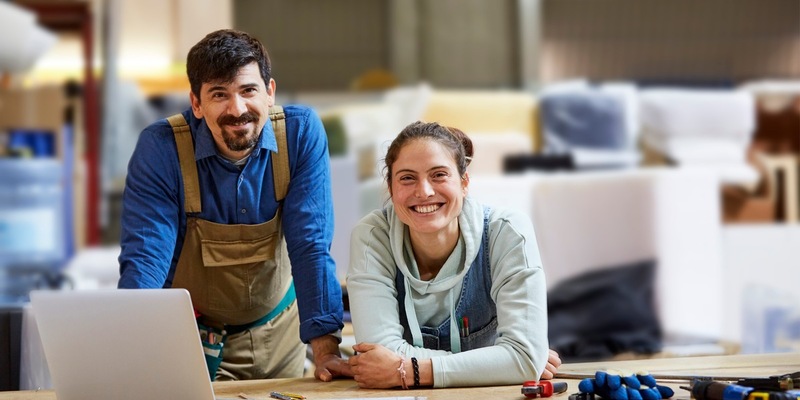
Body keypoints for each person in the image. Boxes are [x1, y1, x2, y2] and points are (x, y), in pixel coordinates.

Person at [117, 29, 350, 382]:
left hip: (280, 338)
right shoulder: (162, 148)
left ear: (269, 92)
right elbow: (147, 260)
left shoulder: (299, 134)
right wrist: (133, 356)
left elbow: (311, 246)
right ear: (196, 103)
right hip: (194, 342)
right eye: (219, 94)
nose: (237, 109)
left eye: (248, 90)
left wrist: (326, 353)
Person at [346, 121, 561, 388]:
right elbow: (523, 361)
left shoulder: (507, 232)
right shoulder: (371, 237)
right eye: (407, 178)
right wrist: (498, 363)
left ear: (464, 182)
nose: (424, 191)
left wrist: (409, 369)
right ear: (390, 188)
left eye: (439, 175)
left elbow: (523, 359)